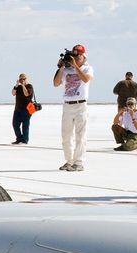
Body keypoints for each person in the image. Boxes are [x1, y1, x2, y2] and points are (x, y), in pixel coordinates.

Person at [53, 44, 94, 172]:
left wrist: (75, 66)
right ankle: (69, 160)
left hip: (81, 105)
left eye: (77, 57)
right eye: (73, 57)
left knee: (80, 135)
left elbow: (86, 79)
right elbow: (56, 83)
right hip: (67, 105)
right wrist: (61, 67)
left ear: (82, 56)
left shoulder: (88, 68)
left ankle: (79, 162)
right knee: (66, 135)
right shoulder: (66, 69)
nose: (75, 59)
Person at [11, 73, 33, 144]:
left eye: (24, 79)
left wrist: (23, 85)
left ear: (26, 79)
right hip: (17, 109)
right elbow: (13, 93)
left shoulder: (29, 86)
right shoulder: (18, 87)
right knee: (15, 124)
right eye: (21, 79)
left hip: (26, 110)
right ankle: (19, 139)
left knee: (25, 125)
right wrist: (17, 85)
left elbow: (26, 94)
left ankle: (25, 140)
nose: (22, 80)